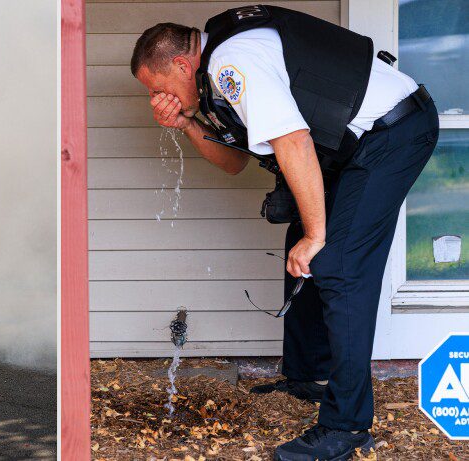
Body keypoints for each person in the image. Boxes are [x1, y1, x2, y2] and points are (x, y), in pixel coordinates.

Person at [131, 5, 438, 460]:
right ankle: (308, 375)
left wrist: (318, 236)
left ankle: (347, 427)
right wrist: (187, 123)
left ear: (180, 64)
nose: (159, 98)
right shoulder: (215, 74)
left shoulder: (231, 62)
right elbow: (234, 162)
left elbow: (293, 140)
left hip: (393, 132)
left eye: (158, 88)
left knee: (339, 265)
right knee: (303, 242)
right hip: (357, 144)